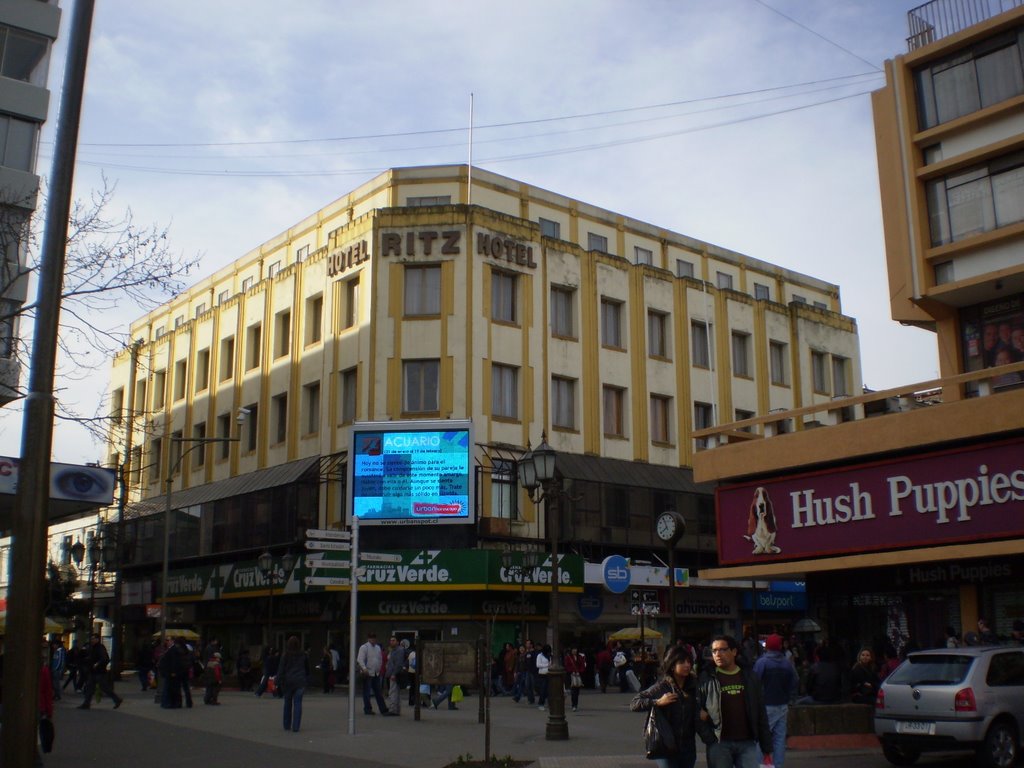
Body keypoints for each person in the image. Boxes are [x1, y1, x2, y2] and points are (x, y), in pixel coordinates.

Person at [697, 634, 772, 768]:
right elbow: (697, 709)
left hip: (747, 742)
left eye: (722, 650)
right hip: (719, 743)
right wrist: (709, 738)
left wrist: (766, 746)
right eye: (714, 651)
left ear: (734, 652)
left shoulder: (749, 676)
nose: (718, 654)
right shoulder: (707, 677)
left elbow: (760, 712)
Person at [631, 645, 704, 768]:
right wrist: (657, 702)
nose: (687, 665)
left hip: (688, 747)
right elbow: (635, 703)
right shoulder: (662, 687)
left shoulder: (694, 686)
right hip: (665, 745)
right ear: (672, 665)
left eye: (689, 662)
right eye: (682, 662)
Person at [752, 633, 798, 768]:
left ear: (767, 646)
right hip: (782, 704)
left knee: (762, 736)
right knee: (779, 738)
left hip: (766, 704)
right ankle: (778, 765)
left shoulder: (762, 662)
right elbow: (795, 681)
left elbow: (754, 683)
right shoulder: (786, 663)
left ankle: (759, 764)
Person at [78, 633, 124, 710]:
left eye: (93, 639)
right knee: (89, 688)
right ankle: (86, 704)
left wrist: (97, 664)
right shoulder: (91, 647)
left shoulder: (100, 647)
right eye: (91, 639)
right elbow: (88, 656)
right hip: (93, 672)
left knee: (105, 688)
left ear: (97, 639)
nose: (92, 640)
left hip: (100, 672)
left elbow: (105, 658)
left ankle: (117, 699)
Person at [277, 635, 310, 732]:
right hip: (300, 681)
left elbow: (281, 669)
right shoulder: (303, 655)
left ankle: (286, 725)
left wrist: (278, 680)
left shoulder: (285, 655)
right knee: (298, 703)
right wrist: (307, 678)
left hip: (288, 682)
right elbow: (307, 669)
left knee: (287, 703)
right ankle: (296, 726)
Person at [356, 631, 388, 715]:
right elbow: (360, 659)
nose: (373, 640)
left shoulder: (378, 647)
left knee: (378, 692)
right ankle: (368, 709)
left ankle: (383, 709)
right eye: (371, 638)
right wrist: (364, 668)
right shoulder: (364, 647)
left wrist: (379, 668)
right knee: (367, 692)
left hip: (376, 673)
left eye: (374, 638)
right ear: (368, 638)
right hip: (368, 672)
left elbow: (380, 659)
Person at [157, 636, 183, 708]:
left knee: (171, 688)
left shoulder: (174, 649)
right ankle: (169, 702)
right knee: (170, 688)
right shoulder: (169, 649)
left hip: (171, 672)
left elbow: (175, 661)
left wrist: (173, 671)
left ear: (172, 641)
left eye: (168, 640)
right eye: (166, 640)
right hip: (168, 672)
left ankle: (171, 703)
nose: (167, 642)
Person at [384, 634, 406, 716]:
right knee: (394, 692)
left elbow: (398, 663)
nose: (391, 642)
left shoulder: (399, 650)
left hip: (395, 674)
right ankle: (395, 709)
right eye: (390, 640)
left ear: (397, 642)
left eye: (393, 640)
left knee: (393, 692)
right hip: (392, 674)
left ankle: (393, 709)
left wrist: (393, 674)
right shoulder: (393, 650)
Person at [564, 646, 587, 712]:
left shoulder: (580, 657)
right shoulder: (568, 657)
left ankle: (575, 704)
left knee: (577, 691)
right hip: (571, 675)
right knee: (573, 691)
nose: (574, 650)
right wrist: (572, 671)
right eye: (573, 649)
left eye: (575, 649)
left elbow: (582, 665)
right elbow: (567, 666)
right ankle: (573, 705)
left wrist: (579, 671)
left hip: (578, 675)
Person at [535, 643, 551, 710]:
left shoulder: (550, 656)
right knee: (543, 690)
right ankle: (541, 704)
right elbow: (538, 665)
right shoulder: (540, 655)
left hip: (549, 674)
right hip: (542, 674)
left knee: (549, 690)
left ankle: (549, 703)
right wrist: (547, 665)